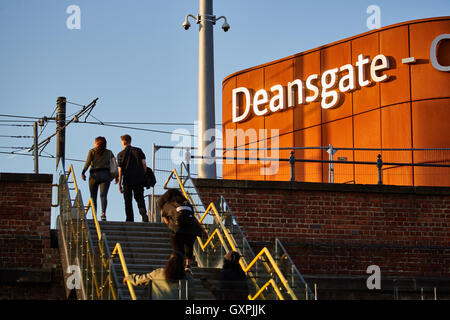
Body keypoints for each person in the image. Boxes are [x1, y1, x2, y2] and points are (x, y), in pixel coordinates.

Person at [158, 189, 207, 272]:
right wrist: (202, 230)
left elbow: (164, 217)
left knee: (178, 249)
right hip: (191, 230)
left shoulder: (167, 204)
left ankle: (179, 266)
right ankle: (188, 265)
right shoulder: (187, 203)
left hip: (177, 230)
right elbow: (194, 218)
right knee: (189, 247)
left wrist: (170, 225)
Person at [123, 251, 196, 300]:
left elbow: (140, 280)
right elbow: (191, 295)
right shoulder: (188, 278)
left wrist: (130, 277)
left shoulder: (158, 273)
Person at [81, 136, 118, 221]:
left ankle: (94, 215)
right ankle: (103, 214)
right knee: (103, 196)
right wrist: (116, 176)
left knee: (93, 196)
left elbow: (87, 163)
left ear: (96, 143)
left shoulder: (92, 151)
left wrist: (83, 172)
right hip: (105, 175)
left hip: (94, 175)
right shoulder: (109, 153)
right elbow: (114, 165)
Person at [117, 134, 148, 222]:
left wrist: (119, 184)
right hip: (139, 178)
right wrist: (143, 173)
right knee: (140, 197)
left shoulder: (120, 154)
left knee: (128, 200)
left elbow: (120, 170)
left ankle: (129, 219)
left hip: (127, 180)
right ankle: (143, 210)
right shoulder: (138, 150)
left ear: (123, 142)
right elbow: (144, 164)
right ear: (130, 141)